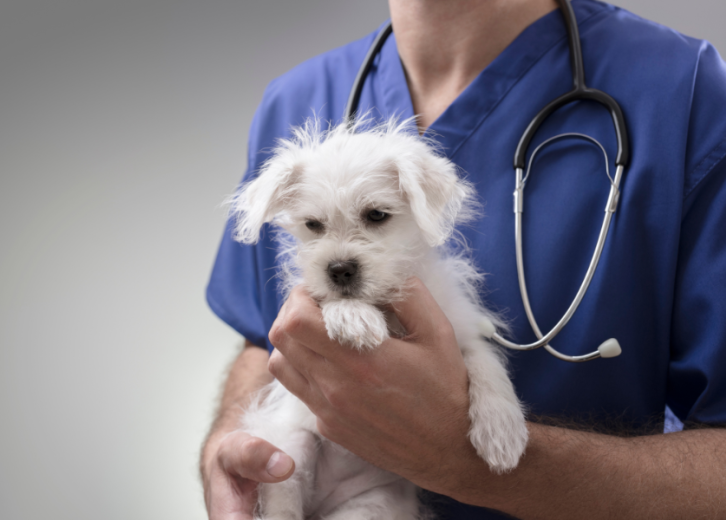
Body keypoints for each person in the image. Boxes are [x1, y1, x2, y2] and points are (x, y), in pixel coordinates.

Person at [201, 0, 726, 518]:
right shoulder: (294, 101)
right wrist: (231, 448)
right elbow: (261, 334)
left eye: (376, 218)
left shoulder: (687, 90)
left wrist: (461, 460)